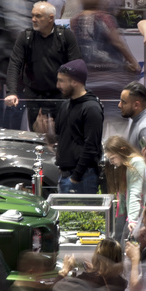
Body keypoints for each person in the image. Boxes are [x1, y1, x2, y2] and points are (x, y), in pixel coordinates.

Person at [5, 1, 81, 131]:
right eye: (32, 15)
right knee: (37, 138)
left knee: (63, 135)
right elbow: (14, 64)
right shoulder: (26, 37)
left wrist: (76, 93)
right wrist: (11, 92)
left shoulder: (65, 36)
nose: (33, 19)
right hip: (35, 96)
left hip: (60, 96)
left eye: (38, 16)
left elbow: (76, 65)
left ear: (51, 18)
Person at [54, 59, 104, 194]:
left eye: (61, 81)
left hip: (82, 178)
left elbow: (91, 146)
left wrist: (76, 177)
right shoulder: (65, 105)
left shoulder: (91, 108)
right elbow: (61, 136)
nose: (58, 85)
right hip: (64, 175)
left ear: (75, 82)